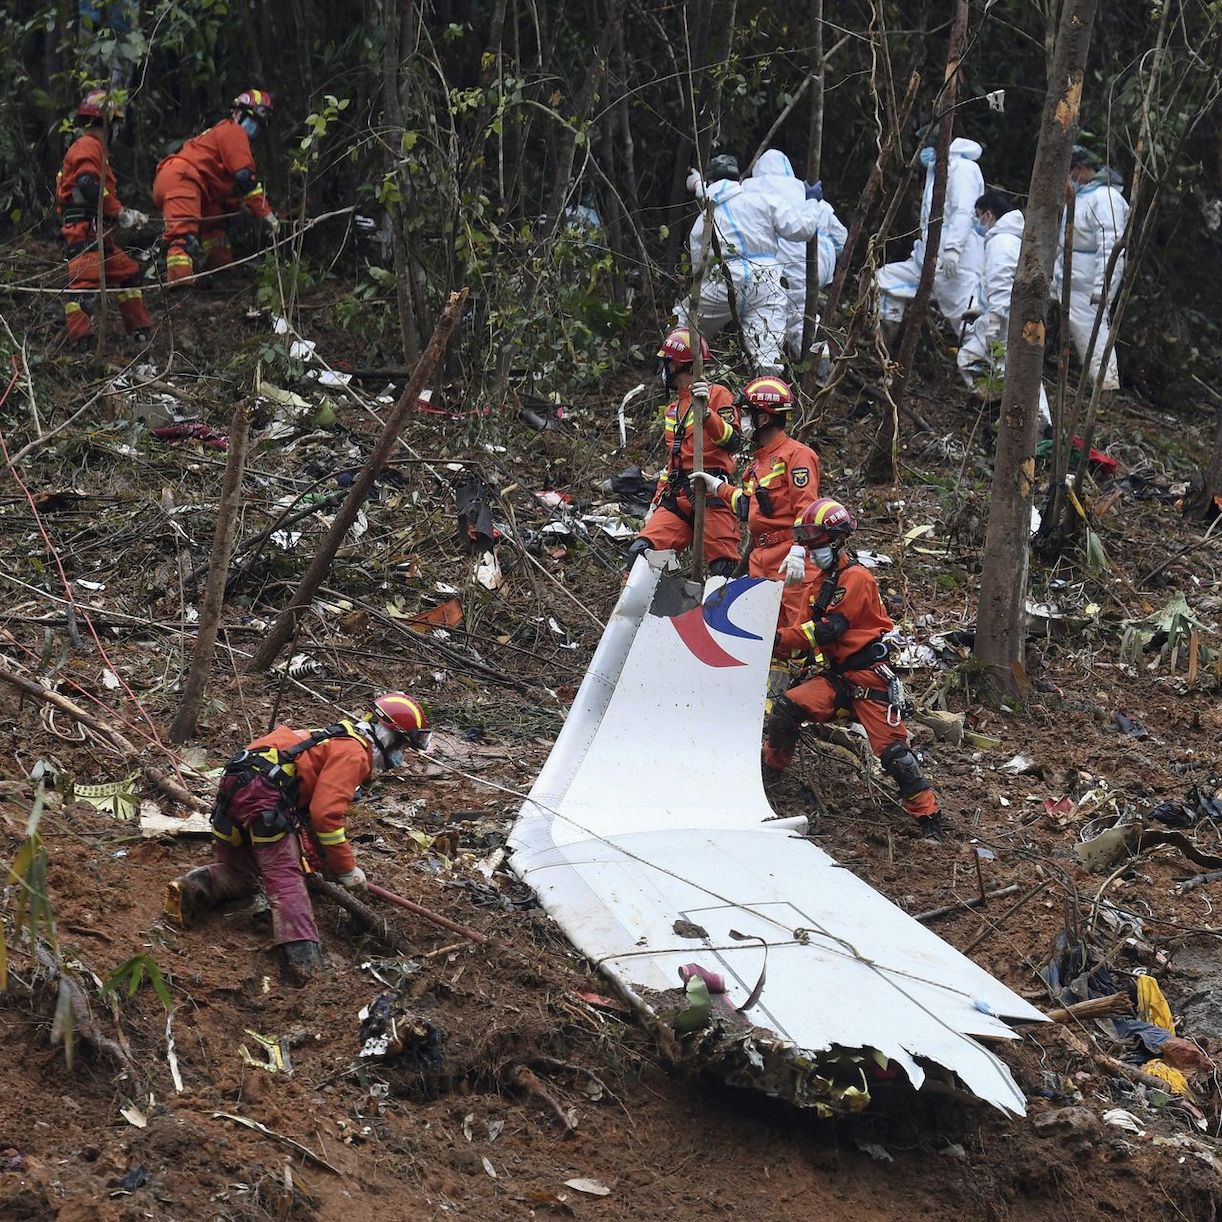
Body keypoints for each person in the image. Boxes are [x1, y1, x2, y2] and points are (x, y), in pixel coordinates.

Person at [164, 693, 431, 980]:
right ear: (387, 734)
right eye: (402, 745)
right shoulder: (354, 752)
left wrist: (323, 864)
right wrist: (347, 868)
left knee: (241, 873)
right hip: (263, 799)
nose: (399, 755)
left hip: (235, 789)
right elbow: (326, 815)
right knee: (285, 879)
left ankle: (193, 887)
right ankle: (305, 966)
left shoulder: (332, 737)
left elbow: (309, 815)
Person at [763, 499, 942, 840]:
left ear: (835, 539)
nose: (812, 550)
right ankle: (770, 774)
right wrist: (793, 590)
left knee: (896, 756)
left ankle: (929, 817)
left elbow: (828, 630)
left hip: (868, 677)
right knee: (786, 709)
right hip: (838, 677)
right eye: (809, 544)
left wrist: (777, 640)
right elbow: (805, 625)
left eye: (816, 544)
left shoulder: (857, 578)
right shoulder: (821, 581)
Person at [678, 153, 842, 373]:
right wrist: (812, 201)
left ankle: (672, 378)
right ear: (738, 179)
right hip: (770, 280)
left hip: (725, 279)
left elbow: (700, 264)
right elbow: (803, 229)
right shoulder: (762, 199)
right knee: (767, 354)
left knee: (684, 325)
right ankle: (773, 397)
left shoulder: (704, 218)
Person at [691, 375, 821, 637]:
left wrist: (798, 551)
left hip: (790, 560)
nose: (743, 422)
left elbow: (806, 508)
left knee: (791, 634)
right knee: (761, 637)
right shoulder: (757, 464)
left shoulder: (797, 455)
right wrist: (717, 486)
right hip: (761, 559)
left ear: (763, 419)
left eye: (748, 414)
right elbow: (747, 505)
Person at [625, 328, 741, 578]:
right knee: (641, 552)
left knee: (724, 571)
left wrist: (707, 414)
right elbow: (672, 463)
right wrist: (654, 506)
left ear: (678, 364)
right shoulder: (673, 409)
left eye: (666, 362)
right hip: (677, 496)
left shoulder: (718, 395)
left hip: (713, 493)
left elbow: (733, 443)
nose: (663, 369)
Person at [55, 89, 154, 346]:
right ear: (110, 123)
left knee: (128, 273)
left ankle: (139, 331)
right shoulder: (88, 146)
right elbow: (88, 185)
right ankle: (82, 342)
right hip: (84, 232)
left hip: (100, 236)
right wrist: (120, 213)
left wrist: (122, 213)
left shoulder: (94, 148)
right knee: (84, 287)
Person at [152, 89, 279, 286]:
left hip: (191, 185)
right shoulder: (233, 131)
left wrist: (240, 209)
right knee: (181, 236)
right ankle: (180, 291)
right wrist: (266, 214)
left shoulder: (221, 134)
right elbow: (244, 177)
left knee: (215, 225)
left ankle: (222, 274)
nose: (253, 128)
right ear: (238, 114)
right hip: (183, 180)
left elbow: (225, 188)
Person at [876, 134, 985, 337]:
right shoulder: (936, 169)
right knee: (886, 279)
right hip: (928, 258)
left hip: (956, 262)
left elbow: (964, 210)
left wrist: (953, 249)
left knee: (967, 328)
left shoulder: (962, 168)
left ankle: (982, 364)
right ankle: (885, 344)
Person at [956, 190, 1051, 426]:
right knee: (969, 358)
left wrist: (994, 323)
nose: (978, 223)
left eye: (979, 216)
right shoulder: (1013, 240)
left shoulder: (1000, 242)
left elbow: (1001, 286)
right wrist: (980, 311)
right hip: (1008, 316)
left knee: (1016, 373)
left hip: (1006, 322)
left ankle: (1036, 427)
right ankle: (998, 406)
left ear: (988, 216)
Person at [745, 150, 847, 358]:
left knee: (777, 313)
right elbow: (841, 236)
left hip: (784, 262)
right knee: (803, 315)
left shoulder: (750, 188)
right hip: (820, 260)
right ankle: (819, 362)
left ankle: (772, 365)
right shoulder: (803, 188)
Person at [1055, 146, 1129, 390]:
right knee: (1081, 332)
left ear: (1079, 169)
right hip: (1070, 277)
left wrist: (1103, 286)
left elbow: (1110, 246)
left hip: (1087, 283)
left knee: (1092, 334)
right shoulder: (1083, 195)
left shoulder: (1105, 198)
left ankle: (1105, 385)